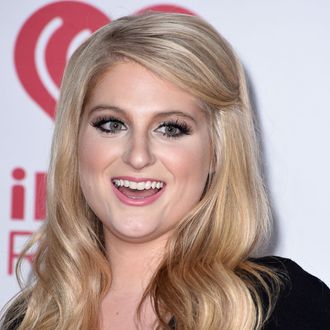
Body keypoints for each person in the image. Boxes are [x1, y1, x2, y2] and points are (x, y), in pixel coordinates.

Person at [1, 12, 329, 330]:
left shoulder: (283, 306)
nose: (138, 156)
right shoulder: (31, 318)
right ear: (74, 142)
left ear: (217, 151)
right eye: (112, 124)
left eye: (170, 128)